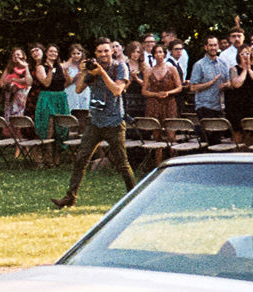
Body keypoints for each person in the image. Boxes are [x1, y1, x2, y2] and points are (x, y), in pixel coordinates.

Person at [52, 41, 137, 208]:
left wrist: (102, 73)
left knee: (122, 163)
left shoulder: (120, 67)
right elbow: (78, 89)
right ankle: (70, 197)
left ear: (112, 51)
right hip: (95, 121)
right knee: (81, 158)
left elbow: (116, 90)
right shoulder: (93, 68)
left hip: (114, 121)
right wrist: (84, 72)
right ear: (95, 53)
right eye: (99, 51)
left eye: (106, 51)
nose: (103, 54)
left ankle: (134, 195)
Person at [224, 41, 253, 145]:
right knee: (238, 133)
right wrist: (244, 70)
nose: (245, 56)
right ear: (238, 55)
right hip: (237, 104)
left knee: (251, 133)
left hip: (252, 103)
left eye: (247, 53)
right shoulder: (234, 69)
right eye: (242, 54)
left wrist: (249, 70)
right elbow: (237, 84)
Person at [33, 45, 70, 142]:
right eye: (51, 51)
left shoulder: (60, 66)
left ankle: (57, 155)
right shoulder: (41, 67)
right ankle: (47, 154)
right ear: (46, 53)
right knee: (49, 127)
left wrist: (66, 73)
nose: (53, 53)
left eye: (56, 52)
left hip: (60, 97)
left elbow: (67, 83)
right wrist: (50, 70)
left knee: (61, 127)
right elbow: (46, 83)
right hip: (47, 97)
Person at [142, 43, 183, 129]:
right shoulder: (148, 71)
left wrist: (168, 92)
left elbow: (179, 87)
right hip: (154, 103)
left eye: (160, 52)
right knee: (156, 131)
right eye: (156, 53)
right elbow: (144, 91)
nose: (158, 55)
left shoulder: (172, 69)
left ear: (164, 54)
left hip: (169, 102)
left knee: (171, 131)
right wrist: (155, 94)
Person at [0, 47, 33, 143]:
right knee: (10, 117)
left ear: (23, 56)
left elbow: (28, 81)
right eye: (14, 55)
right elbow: (1, 83)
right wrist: (8, 83)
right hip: (10, 97)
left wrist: (14, 80)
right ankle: (12, 141)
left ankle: (21, 143)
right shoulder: (9, 68)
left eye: (18, 54)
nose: (16, 56)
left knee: (20, 117)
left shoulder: (27, 66)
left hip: (22, 97)